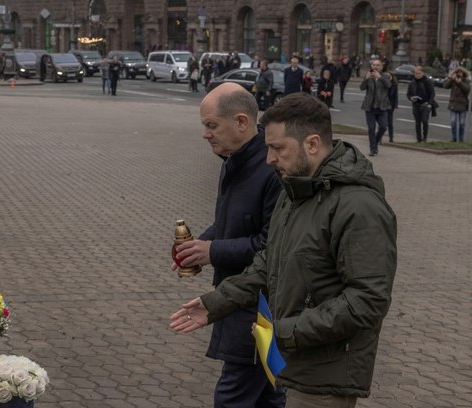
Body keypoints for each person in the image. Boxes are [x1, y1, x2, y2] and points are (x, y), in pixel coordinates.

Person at [170, 92, 397, 408]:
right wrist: (215, 304)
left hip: (323, 379)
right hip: (292, 361)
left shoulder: (359, 207)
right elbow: (268, 262)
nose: (269, 159)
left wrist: (287, 331)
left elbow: (368, 300)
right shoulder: (297, 193)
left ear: (312, 144)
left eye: (277, 148)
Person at [170, 82, 285, 408]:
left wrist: (213, 252)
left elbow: (272, 245)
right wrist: (200, 243)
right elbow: (233, 220)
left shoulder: (271, 169)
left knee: (234, 396)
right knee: (269, 395)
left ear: (241, 122)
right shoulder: (235, 160)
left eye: (211, 125)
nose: (206, 134)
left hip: (260, 305)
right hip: (241, 300)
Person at [360, 58, 391, 156]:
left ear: (381, 67)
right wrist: (366, 79)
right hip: (370, 107)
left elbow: (388, 85)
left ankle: (375, 142)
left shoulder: (385, 76)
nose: (375, 67)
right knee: (371, 128)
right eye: (374, 65)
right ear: (371, 66)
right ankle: (372, 148)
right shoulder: (368, 75)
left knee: (383, 126)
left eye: (378, 65)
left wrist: (380, 77)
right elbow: (361, 88)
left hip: (382, 107)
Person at [406, 65, 435, 142]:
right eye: (416, 73)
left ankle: (425, 137)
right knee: (417, 122)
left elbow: (432, 93)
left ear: (423, 73)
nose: (417, 75)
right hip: (416, 104)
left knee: (425, 121)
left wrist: (429, 104)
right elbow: (408, 94)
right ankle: (418, 138)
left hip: (425, 104)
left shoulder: (427, 81)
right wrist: (411, 98)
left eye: (419, 73)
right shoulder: (412, 83)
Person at [443, 67, 471, 142]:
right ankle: (454, 138)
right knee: (453, 121)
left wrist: (460, 83)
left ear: (463, 74)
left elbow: (467, 90)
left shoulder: (466, 81)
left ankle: (461, 138)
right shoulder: (453, 81)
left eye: (461, 72)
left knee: (462, 123)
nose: (459, 74)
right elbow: (445, 86)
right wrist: (451, 78)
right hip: (453, 104)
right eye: (457, 72)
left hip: (462, 105)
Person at [386, 70, 399, 143]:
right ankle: (380, 137)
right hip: (383, 105)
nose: (388, 78)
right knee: (383, 123)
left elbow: (395, 96)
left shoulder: (394, 85)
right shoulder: (384, 84)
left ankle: (391, 138)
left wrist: (396, 104)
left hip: (391, 105)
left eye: (389, 77)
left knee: (390, 122)